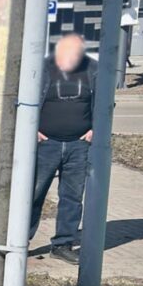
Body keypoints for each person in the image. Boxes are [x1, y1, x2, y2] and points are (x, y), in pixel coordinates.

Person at [29, 34, 97, 264]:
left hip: (79, 145)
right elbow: (25, 98)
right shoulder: (42, 68)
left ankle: (62, 244)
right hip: (45, 144)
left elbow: (105, 101)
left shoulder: (92, 69)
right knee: (33, 194)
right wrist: (31, 128)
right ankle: (20, 241)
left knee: (72, 198)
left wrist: (96, 128)